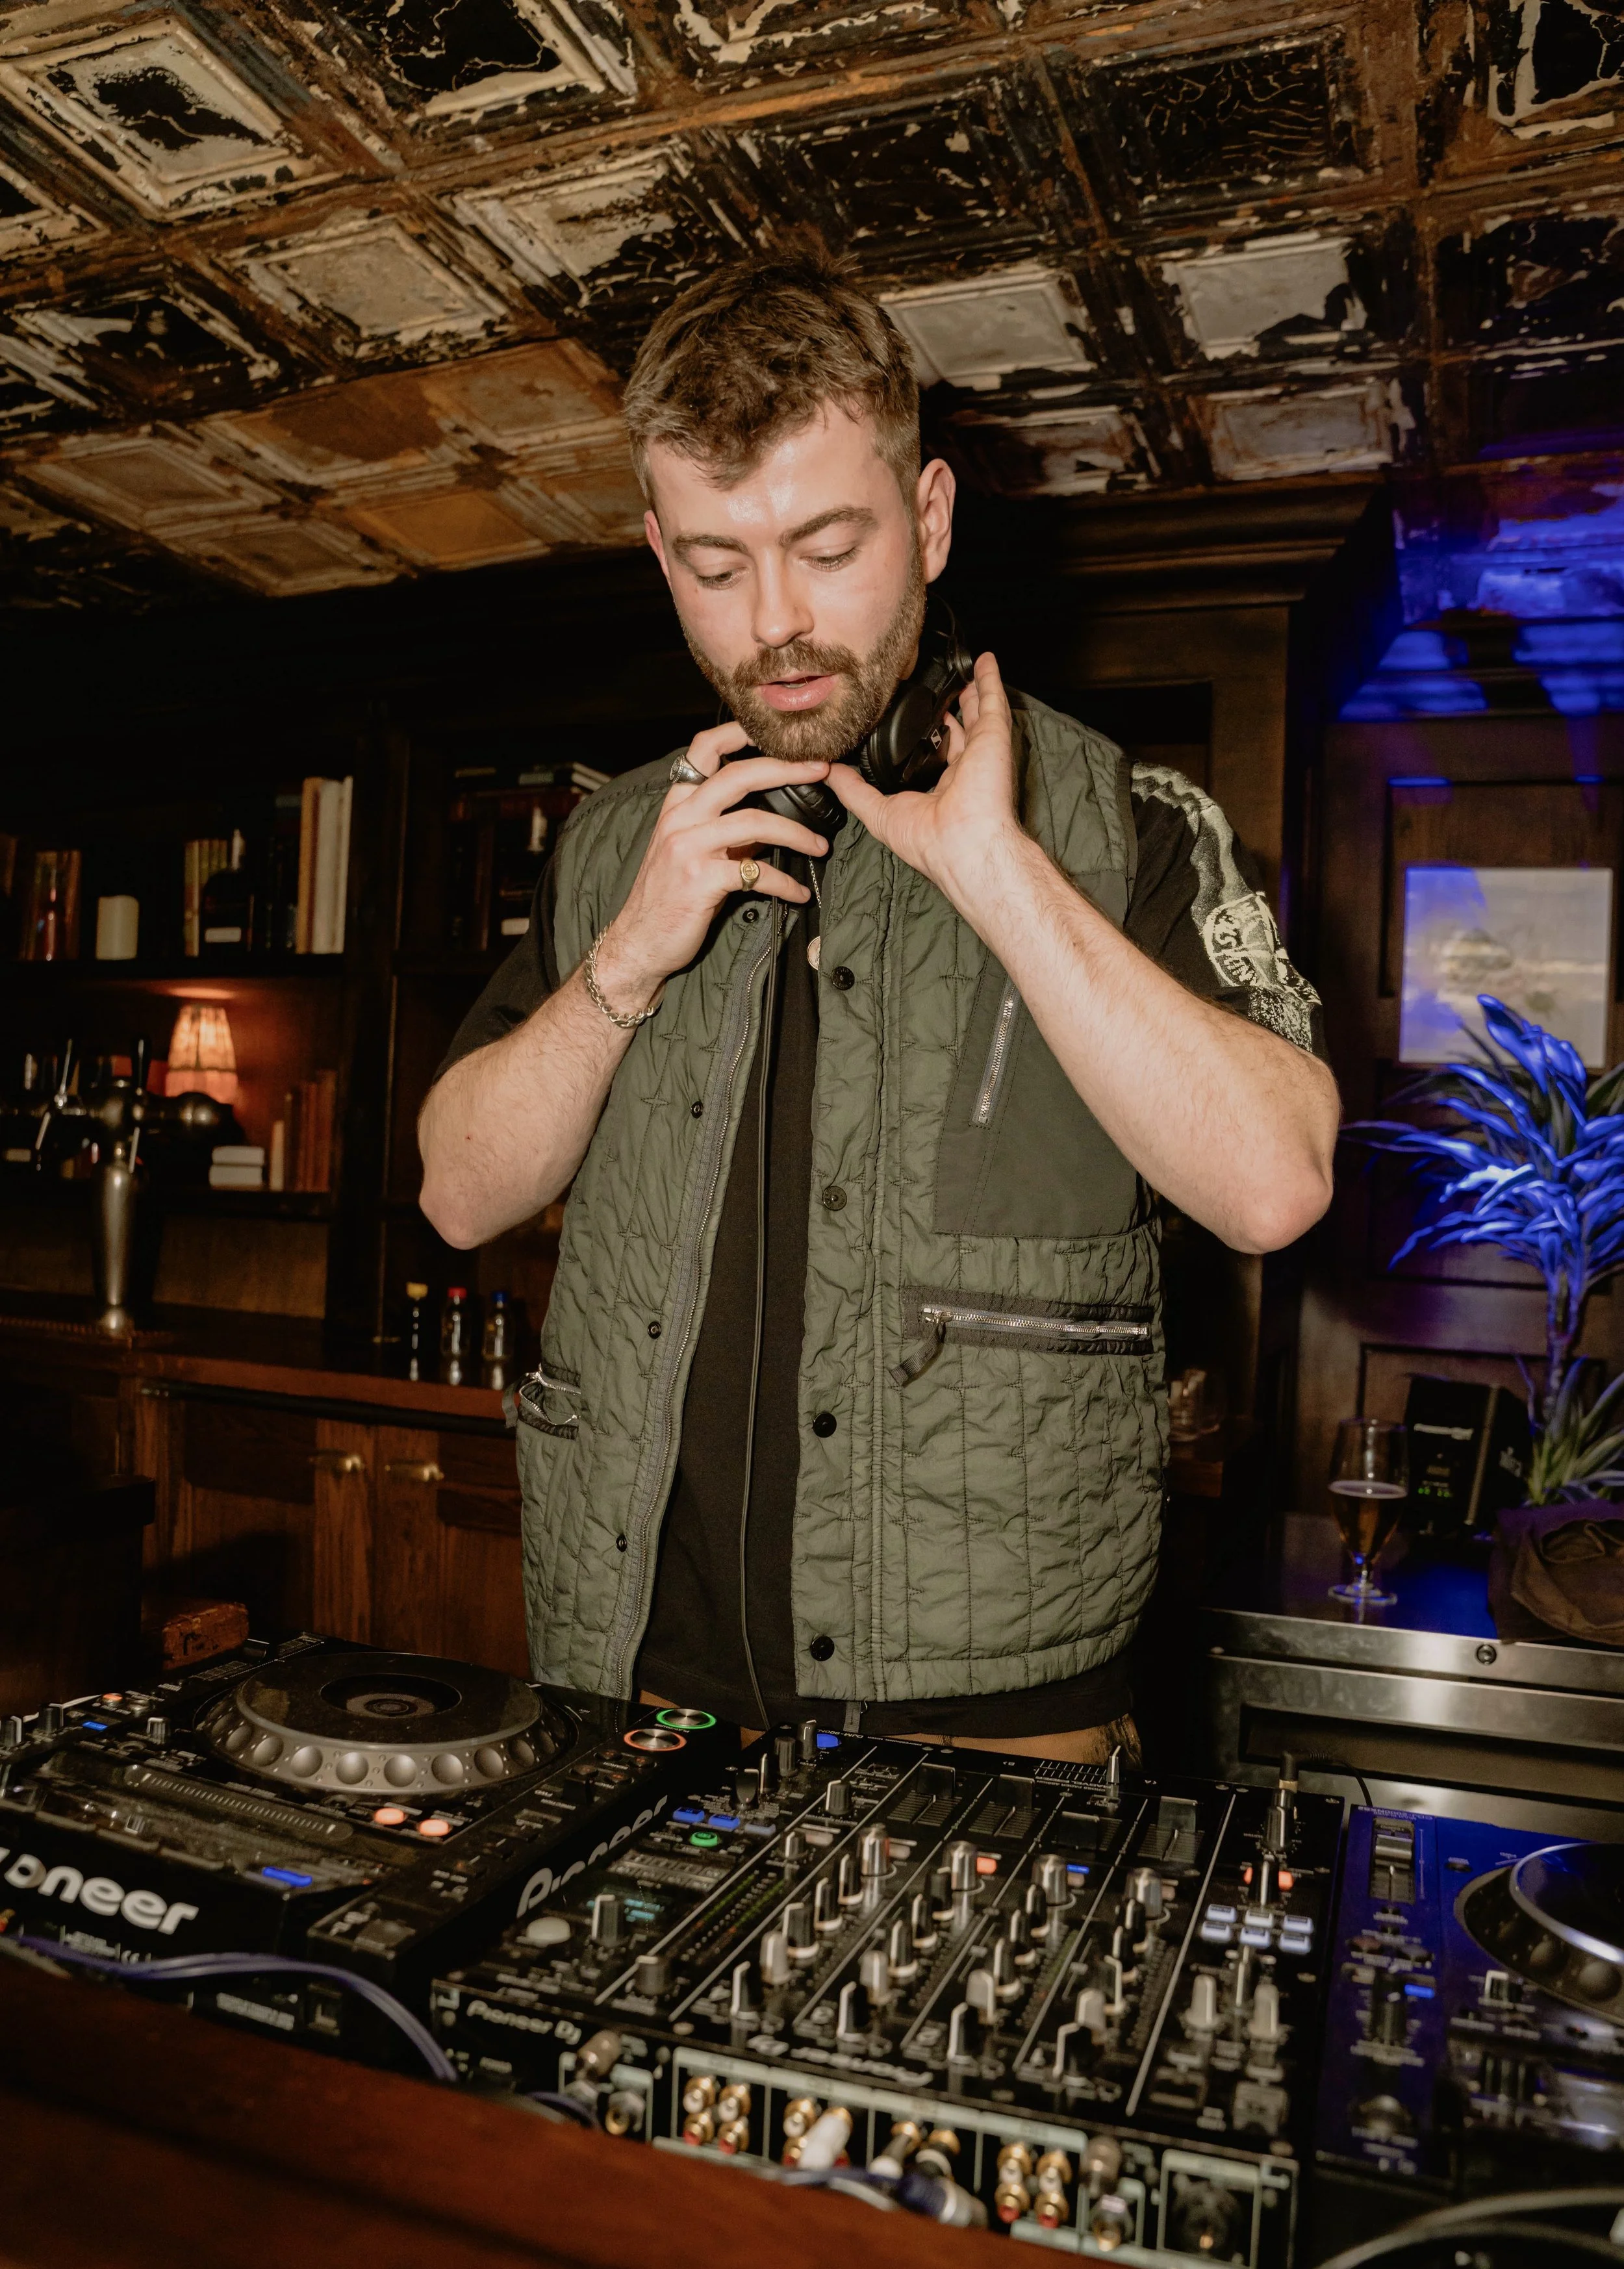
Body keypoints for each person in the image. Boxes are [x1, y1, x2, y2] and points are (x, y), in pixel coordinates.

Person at [418, 243, 1339, 1763]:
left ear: (926, 519)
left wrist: (1000, 877)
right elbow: (459, 1192)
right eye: (715, 566)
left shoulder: (1129, 822)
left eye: (825, 546)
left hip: (992, 1723)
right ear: (659, 554)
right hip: (629, 1680)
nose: (772, 621)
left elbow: (1271, 1183)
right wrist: (623, 962)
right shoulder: (607, 844)